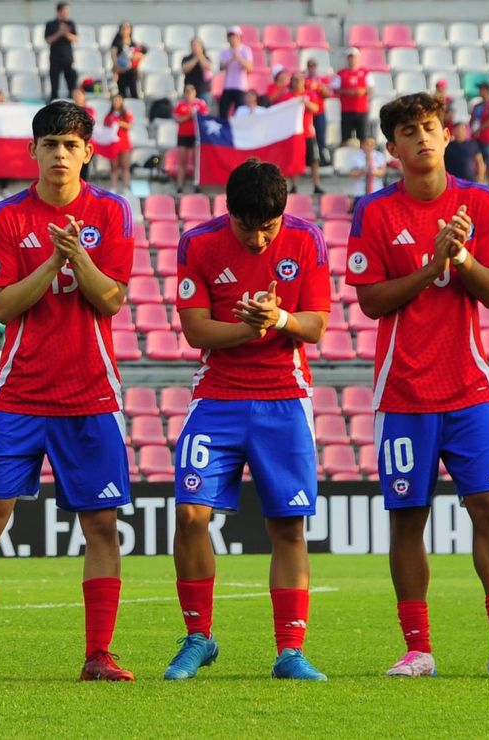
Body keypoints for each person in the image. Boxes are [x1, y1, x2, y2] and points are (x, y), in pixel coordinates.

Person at [345, 92, 489, 680]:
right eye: (409, 131)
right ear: (392, 148)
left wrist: (457, 257)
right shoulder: (375, 212)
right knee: (408, 517)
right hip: (404, 392)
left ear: (445, 134)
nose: (423, 139)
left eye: (430, 127)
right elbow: (369, 302)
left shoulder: (477, 202)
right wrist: (431, 268)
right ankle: (417, 649)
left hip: (467, 388)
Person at [0, 101, 135, 684]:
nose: (59, 155)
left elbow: (112, 300)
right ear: (33, 152)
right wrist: (55, 262)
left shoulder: (113, 212)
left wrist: (80, 257)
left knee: (101, 524)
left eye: (70, 145)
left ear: (87, 153)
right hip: (20, 392)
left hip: (90, 393)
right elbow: (2, 305)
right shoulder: (5, 216)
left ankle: (99, 654)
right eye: (49, 144)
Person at [165, 158, 331, 682]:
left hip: (284, 398)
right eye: (247, 226)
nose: (259, 240)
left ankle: (290, 651)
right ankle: (199, 637)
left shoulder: (307, 241)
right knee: (191, 514)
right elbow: (195, 331)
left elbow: (317, 324)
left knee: (286, 526)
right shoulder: (198, 243)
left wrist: (279, 318)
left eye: (269, 227)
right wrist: (252, 328)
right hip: (217, 398)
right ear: (228, 212)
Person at [280, 72, 324, 195]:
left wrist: (305, 102)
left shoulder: (309, 94)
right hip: (294, 133)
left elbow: (316, 109)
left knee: (314, 160)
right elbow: (282, 112)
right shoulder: (288, 97)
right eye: (295, 80)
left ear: (304, 81)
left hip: (308, 133)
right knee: (294, 159)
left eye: (299, 79)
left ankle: (316, 185)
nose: (297, 82)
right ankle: (294, 186)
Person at [173, 84, 208, 193]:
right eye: (187, 92)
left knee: (195, 161)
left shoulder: (200, 104)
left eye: (191, 92)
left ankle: (196, 185)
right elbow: (177, 119)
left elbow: (205, 118)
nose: (189, 95)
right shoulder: (180, 105)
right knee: (182, 161)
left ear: (194, 93)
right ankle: (179, 186)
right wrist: (189, 116)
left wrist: (195, 116)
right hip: (183, 135)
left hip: (196, 135)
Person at [333, 47, 371, 143]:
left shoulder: (365, 72)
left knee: (363, 137)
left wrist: (362, 91)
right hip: (346, 110)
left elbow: (370, 88)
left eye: (354, 57)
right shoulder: (341, 73)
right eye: (350, 57)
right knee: (346, 137)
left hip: (361, 110)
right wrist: (349, 92)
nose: (352, 59)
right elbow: (335, 89)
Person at [45, 2, 79, 101]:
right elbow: (48, 40)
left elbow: (76, 38)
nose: (67, 13)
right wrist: (59, 33)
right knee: (54, 83)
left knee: (71, 83)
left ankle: (71, 103)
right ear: (59, 12)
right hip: (55, 58)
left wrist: (66, 33)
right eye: (65, 11)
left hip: (67, 57)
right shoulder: (50, 24)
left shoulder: (70, 24)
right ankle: (53, 102)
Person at [218, 26, 253, 118]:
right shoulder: (225, 51)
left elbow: (249, 67)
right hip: (228, 85)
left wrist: (238, 58)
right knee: (223, 111)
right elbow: (221, 67)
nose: (232, 39)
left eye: (234, 36)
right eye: (230, 37)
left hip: (241, 86)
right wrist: (231, 59)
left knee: (240, 112)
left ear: (239, 37)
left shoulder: (245, 50)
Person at [469, 83, 489, 186]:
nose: (480, 92)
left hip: (487, 137)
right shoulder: (477, 105)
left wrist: (480, 129)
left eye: (482, 89)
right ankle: (478, 182)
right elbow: (472, 119)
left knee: (488, 160)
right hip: (476, 137)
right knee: (477, 160)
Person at [103, 94, 133, 192]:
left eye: (118, 100)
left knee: (125, 167)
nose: (116, 102)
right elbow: (105, 128)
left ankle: (125, 188)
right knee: (114, 167)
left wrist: (120, 123)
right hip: (113, 144)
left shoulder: (126, 114)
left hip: (124, 144)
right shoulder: (109, 115)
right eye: (115, 100)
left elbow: (129, 126)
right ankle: (113, 188)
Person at [305, 59, 331, 162]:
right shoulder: (304, 80)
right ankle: (309, 160)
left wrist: (320, 88)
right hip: (308, 114)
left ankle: (323, 159)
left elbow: (328, 94)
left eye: (314, 66)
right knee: (308, 138)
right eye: (310, 66)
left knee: (321, 137)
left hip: (319, 112)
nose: (312, 68)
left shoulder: (321, 80)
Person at [110, 22, 145, 99]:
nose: (125, 31)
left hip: (131, 71)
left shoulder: (133, 43)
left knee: (134, 92)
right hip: (121, 71)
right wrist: (117, 68)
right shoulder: (116, 43)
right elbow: (113, 56)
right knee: (122, 94)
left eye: (127, 29)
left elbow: (140, 56)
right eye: (123, 29)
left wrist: (138, 67)